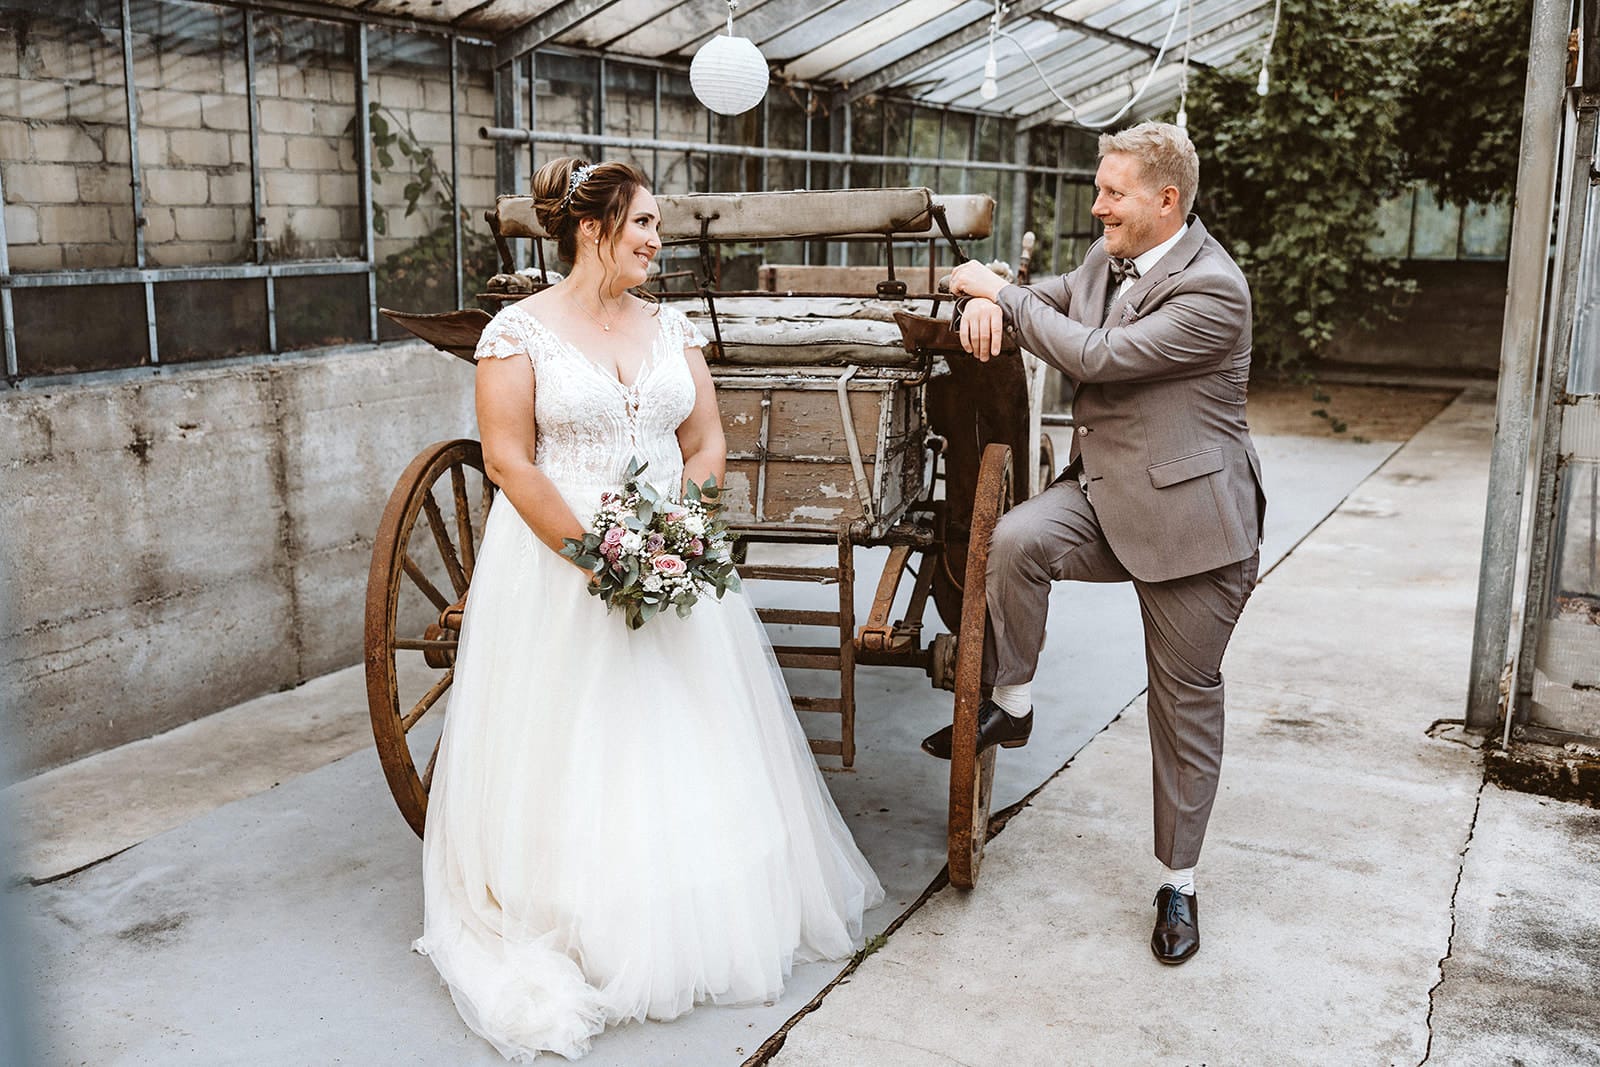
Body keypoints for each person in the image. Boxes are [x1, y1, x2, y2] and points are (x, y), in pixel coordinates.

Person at [414, 158, 883, 1061]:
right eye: (644, 225)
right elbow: (511, 462)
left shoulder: (670, 327)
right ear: (592, 229)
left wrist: (677, 531)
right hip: (560, 567)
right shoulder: (517, 335)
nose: (656, 242)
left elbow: (704, 441)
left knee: (685, 730)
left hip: (671, 554)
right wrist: (597, 554)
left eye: (657, 226)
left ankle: (695, 905)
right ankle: (575, 911)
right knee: (579, 741)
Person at [932, 122, 1265, 966]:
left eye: (1113, 192)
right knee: (1016, 539)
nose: (1097, 204)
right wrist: (993, 293)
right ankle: (1014, 703)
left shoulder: (1215, 291)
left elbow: (1102, 354)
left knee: (1181, 706)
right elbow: (1049, 295)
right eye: (1098, 187)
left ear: (1167, 200)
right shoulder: (1107, 261)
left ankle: (1180, 883)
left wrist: (1001, 300)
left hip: (1194, 528)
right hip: (1104, 494)